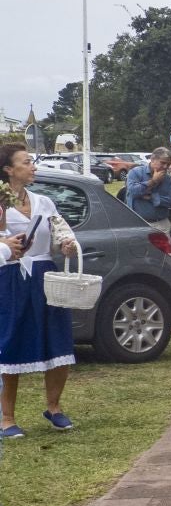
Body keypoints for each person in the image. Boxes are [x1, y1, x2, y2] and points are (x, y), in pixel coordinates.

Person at [0, 143, 80, 439]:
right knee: (11, 343)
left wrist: (67, 244)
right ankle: (6, 418)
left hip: (44, 276)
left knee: (56, 338)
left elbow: (62, 233)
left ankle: (54, 407)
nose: (32, 166)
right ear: (9, 169)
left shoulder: (44, 202)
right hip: (10, 277)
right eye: (26, 162)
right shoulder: (0, 202)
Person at [124, 149, 171, 230]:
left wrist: (152, 197)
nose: (166, 167)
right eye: (163, 163)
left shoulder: (169, 180)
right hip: (137, 224)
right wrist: (153, 181)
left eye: (168, 164)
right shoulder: (136, 172)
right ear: (152, 160)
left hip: (160, 224)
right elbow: (133, 192)